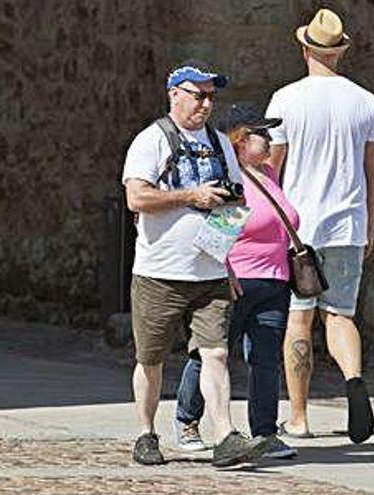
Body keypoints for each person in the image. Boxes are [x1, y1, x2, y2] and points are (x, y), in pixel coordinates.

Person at [122, 63, 268, 466]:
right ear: (174, 94)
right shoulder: (150, 141)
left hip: (211, 273)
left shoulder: (221, 144)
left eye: (210, 96)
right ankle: (145, 434)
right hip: (159, 273)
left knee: (216, 353)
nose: (205, 103)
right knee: (150, 360)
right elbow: (137, 199)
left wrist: (229, 262)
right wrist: (191, 196)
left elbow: (235, 204)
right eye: (197, 94)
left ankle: (224, 437)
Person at [264, 8, 374, 444]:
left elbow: (271, 171)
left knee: (299, 321)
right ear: (341, 51)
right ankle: (353, 380)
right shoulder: (365, 101)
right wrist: (369, 224)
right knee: (340, 315)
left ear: (305, 49)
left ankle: (299, 417)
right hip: (347, 225)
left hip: (299, 228)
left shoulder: (285, 100)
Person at [173, 105, 300, 459]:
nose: (271, 140)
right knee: (211, 355)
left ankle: (265, 432)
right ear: (241, 141)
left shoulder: (269, 174)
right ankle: (187, 420)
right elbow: (215, 240)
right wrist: (224, 276)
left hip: (276, 283)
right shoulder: (234, 181)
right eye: (264, 134)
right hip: (237, 283)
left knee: (265, 361)